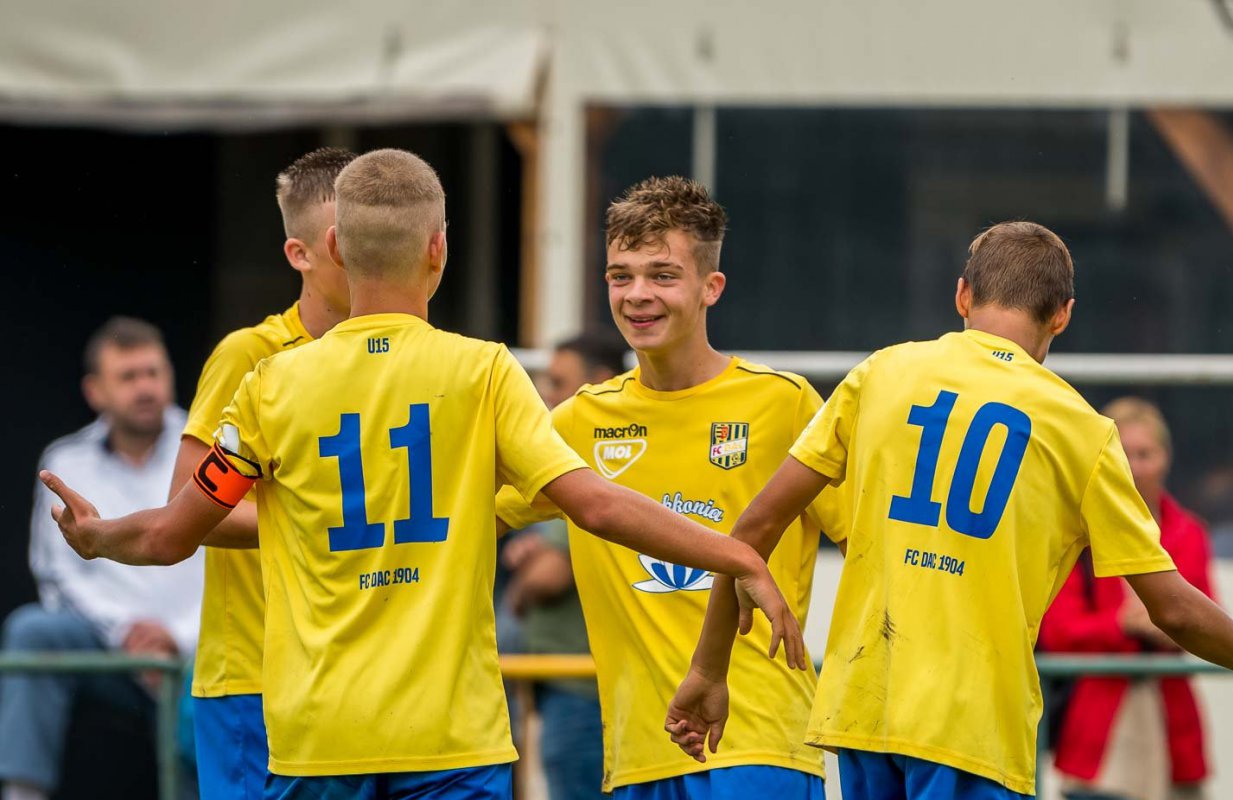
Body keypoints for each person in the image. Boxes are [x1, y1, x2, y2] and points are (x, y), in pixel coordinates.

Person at [39, 149, 803, 799]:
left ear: (335, 247)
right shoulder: (482, 372)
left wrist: (99, 536)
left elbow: (174, 533)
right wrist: (736, 555)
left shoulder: (271, 385)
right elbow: (597, 506)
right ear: (438, 250)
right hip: (451, 738)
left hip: (318, 735)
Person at [665, 221, 1233, 800]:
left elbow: (752, 529)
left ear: (962, 295)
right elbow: (1173, 608)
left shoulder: (881, 374)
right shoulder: (1081, 430)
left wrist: (707, 669)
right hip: (973, 726)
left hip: (863, 709)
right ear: (1063, 315)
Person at [496, 176, 845, 800]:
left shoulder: (783, 403)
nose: (638, 294)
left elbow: (866, 543)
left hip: (759, 746)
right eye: (620, 276)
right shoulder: (578, 421)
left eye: (662, 275)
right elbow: (466, 516)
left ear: (712, 287)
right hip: (637, 757)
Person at [171, 147, 356, 799]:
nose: (367, 255)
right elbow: (187, 506)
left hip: (353, 677)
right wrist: (317, 523)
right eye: (343, 242)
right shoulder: (250, 353)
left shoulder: (398, 357)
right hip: (253, 677)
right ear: (299, 255)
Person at [0, 317, 204, 800]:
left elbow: (238, 563)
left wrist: (177, 639)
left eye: (153, 373)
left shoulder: (206, 449)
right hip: (111, 647)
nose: (145, 388)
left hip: (201, 644)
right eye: (128, 377)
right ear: (95, 391)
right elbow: (57, 576)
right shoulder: (66, 461)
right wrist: (126, 635)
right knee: (33, 631)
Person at [1039, 397, 1216, 800]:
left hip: (1172, 721)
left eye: (1145, 454)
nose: (1134, 467)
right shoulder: (1076, 532)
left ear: (1166, 458)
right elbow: (1058, 630)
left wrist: (1170, 627)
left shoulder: (1189, 532)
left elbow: (1208, 621)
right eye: (1124, 454)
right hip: (1099, 726)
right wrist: (1125, 624)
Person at [499, 330, 629, 800]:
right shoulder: (567, 456)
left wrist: (518, 590)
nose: (546, 395)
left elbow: (550, 574)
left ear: (600, 382)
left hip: (585, 688)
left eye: (558, 382)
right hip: (576, 685)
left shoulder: (599, 463)